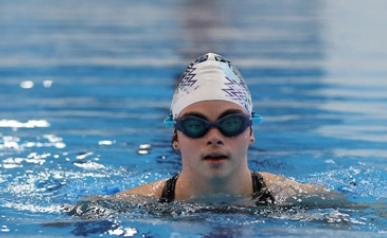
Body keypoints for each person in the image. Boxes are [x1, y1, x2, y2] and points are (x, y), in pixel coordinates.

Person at [116, 53, 337, 206]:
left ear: (251, 132)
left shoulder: (299, 197)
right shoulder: (137, 202)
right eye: (195, 125)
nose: (214, 138)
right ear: (175, 137)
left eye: (231, 124)